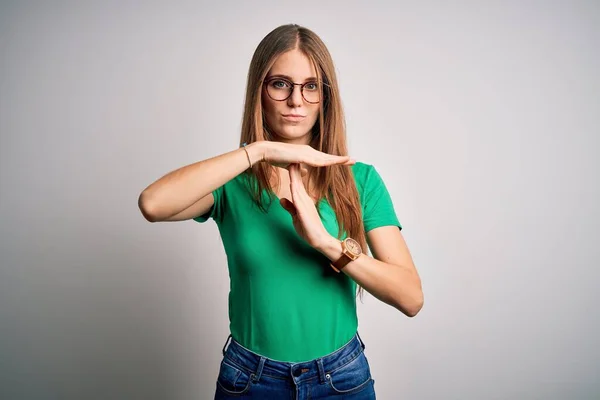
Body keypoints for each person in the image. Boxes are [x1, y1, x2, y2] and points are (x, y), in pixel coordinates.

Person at [138, 23, 423, 399]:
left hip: (341, 379)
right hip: (251, 381)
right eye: (280, 84)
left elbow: (410, 297)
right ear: (260, 91)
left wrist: (325, 242)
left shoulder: (360, 179)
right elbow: (153, 204)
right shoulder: (231, 181)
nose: (296, 101)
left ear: (325, 97)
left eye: (311, 87)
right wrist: (258, 151)